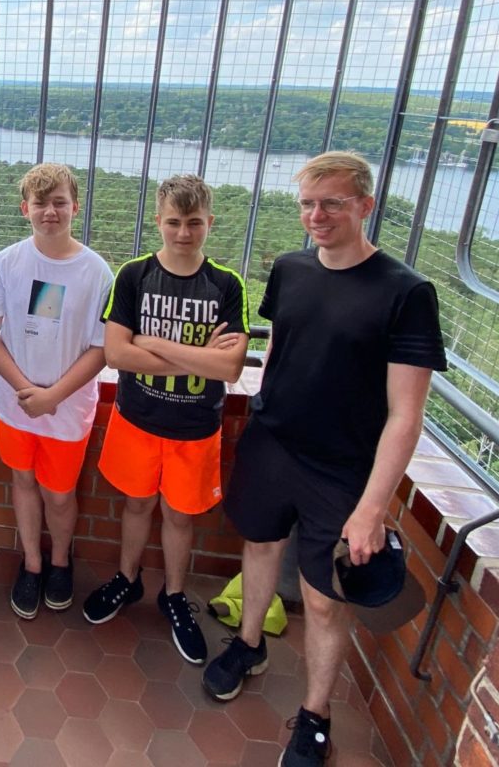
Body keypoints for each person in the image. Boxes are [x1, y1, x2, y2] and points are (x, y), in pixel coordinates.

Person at [203, 152, 446, 767]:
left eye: (332, 203)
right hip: (272, 443)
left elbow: (406, 414)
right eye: (308, 204)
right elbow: (282, 347)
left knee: (322, 599)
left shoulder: (406, 292)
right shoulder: (290, 269)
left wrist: (372, 508)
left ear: (365, 205)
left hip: (341, 469)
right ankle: (249, 644)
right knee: (259, 548)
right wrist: (263, 405)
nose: (317, 215)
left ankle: (315, 715)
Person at [83, 174, 248, 667]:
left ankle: (174, 594)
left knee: (179, 515)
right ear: (158, 221)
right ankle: (127, 578)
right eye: (174, 222)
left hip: (195, 428)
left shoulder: (226, 284)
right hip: (138, 418)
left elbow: (230, 368)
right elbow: (117, 354)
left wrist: (151, 343)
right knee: (136, 506)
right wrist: (198, 357)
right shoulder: (134, 275)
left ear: (210, 222)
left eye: (194, 222)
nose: (183, 232)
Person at [0, 164, 112, 619]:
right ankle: (32, 563)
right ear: (25, 209)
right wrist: (25, 388)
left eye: (59, 202)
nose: (50, 211)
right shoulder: (7, 262)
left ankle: (60, 562)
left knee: (60, 493)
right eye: (40, 203)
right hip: (14, 403)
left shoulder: (96, 272)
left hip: (68, 408)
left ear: (75, 207)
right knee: (23, 481)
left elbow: (102, 348)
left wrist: (53, 396)